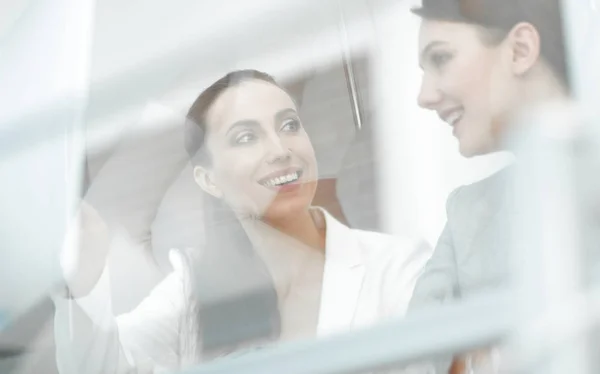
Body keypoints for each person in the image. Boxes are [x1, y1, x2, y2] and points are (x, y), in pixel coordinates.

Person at [53, 69, 431, 373]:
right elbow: (99, 366)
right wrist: (81, 285)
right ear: (208, 179)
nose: (281, 150)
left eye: (289, 125)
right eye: (247, 136)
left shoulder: (397, 267)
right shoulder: (193, 291)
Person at [407, 0, 572, 372]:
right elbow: (413, 362)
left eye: (441, 59)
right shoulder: (467, 215)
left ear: (520, 50)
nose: (424, 95)